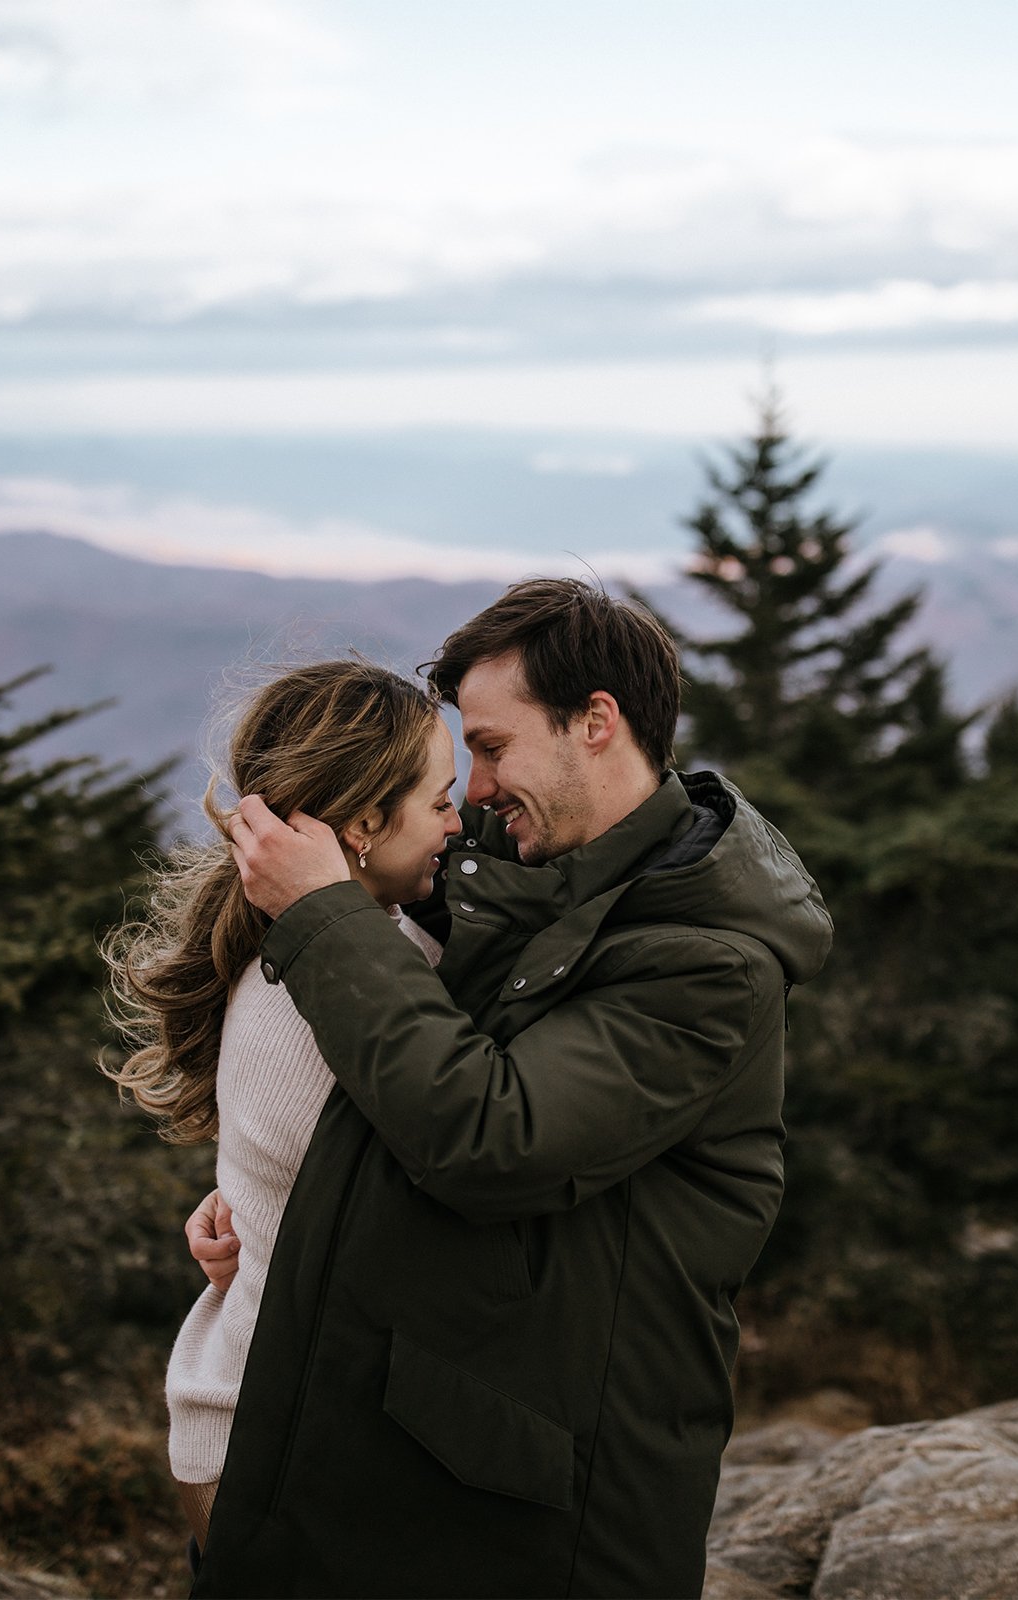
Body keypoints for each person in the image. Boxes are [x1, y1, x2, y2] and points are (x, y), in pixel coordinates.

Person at [191, 578, 832, 1598]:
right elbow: (388, 1073)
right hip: (452, 1463)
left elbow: (491, 1136)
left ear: (596, 723)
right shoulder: (535, 870)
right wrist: (271, 1192)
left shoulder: (706, 966)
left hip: (564, 1504)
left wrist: (323, 916)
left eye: (490, 748)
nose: (474, 793)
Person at [101, 660, 461, 1557]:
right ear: (367, 826)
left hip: (264, 1411)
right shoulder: (339, 979)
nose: (463, 822)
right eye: (443, 799)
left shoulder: (333, 948)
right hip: (276, 1437)